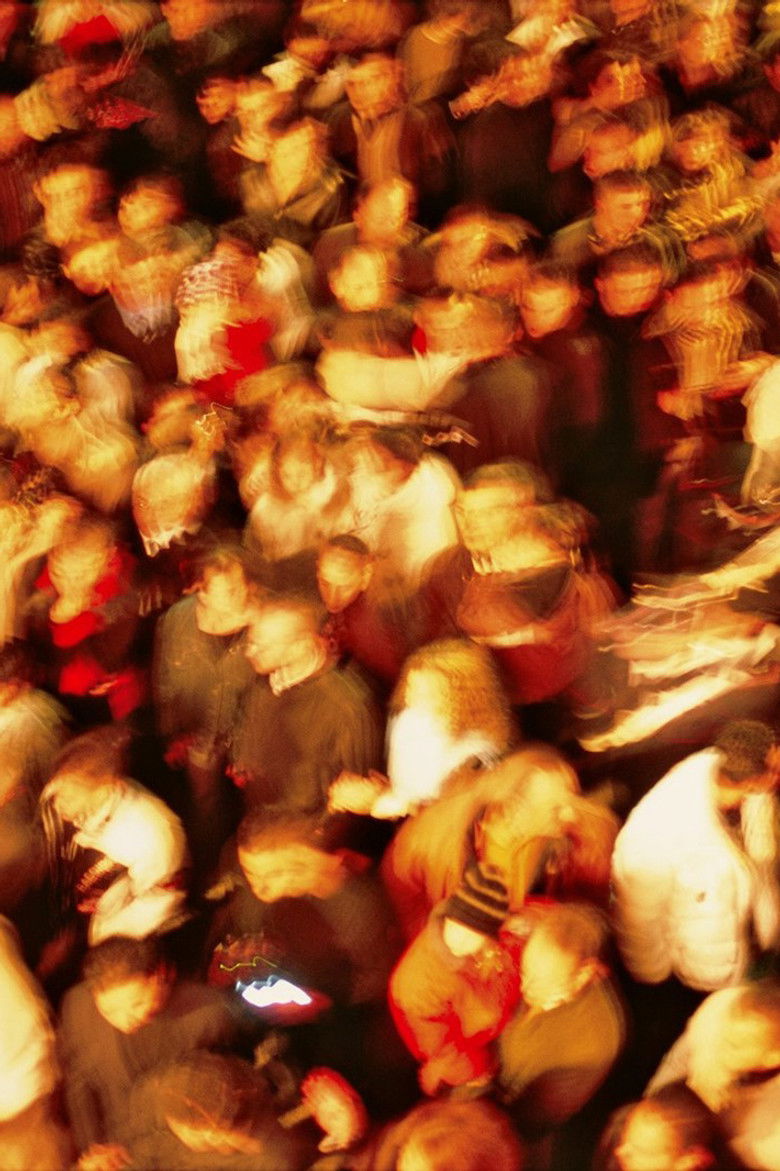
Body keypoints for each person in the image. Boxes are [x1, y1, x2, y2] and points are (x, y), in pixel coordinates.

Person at [611, 719, 780, 992]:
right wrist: (656, 978)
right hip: (712, 972)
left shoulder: (748, 785)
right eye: (774, 769)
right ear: (754, 781)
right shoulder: (651, 836)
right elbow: (638, 922)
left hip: (760, 945)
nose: (777, 774)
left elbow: (760, 861)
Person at [59, 934, 239, 1171]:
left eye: (136, 1004)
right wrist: (94, 1147)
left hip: (177, 1154)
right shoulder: (78, 1004)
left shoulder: (209, 1014)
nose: (123, 1020)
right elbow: (79, 1082)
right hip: (112, 1152)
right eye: (110, 1010)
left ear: (161, 975)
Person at [227, 595, 384, 816]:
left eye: (261, 646)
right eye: (250, 642)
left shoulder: (346, 706)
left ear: (299, 647)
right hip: (263, 822)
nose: (249, 652)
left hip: (303, 831)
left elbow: (353, 800)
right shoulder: (265, 680)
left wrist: (312, 832)